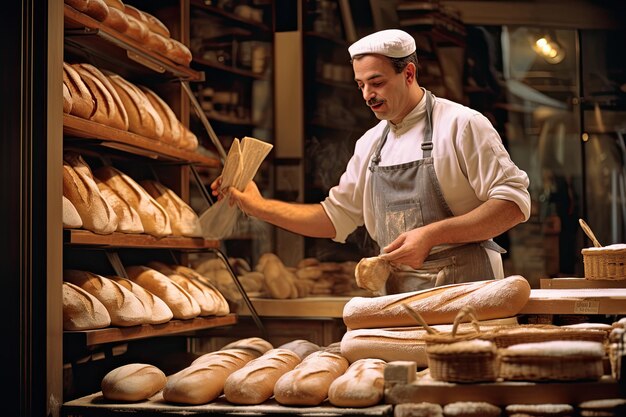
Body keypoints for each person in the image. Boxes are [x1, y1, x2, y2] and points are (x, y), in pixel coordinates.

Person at [212, 29, 531, 293]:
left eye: (376, 82)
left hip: (467, 294)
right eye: (361, 85)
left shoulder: (463, 124)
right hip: (397, 300)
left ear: (408, 73)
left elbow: (513, 205)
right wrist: (257, 206)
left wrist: (432, 235)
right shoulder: (370, 144)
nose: (367, 95)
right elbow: (333, 218)